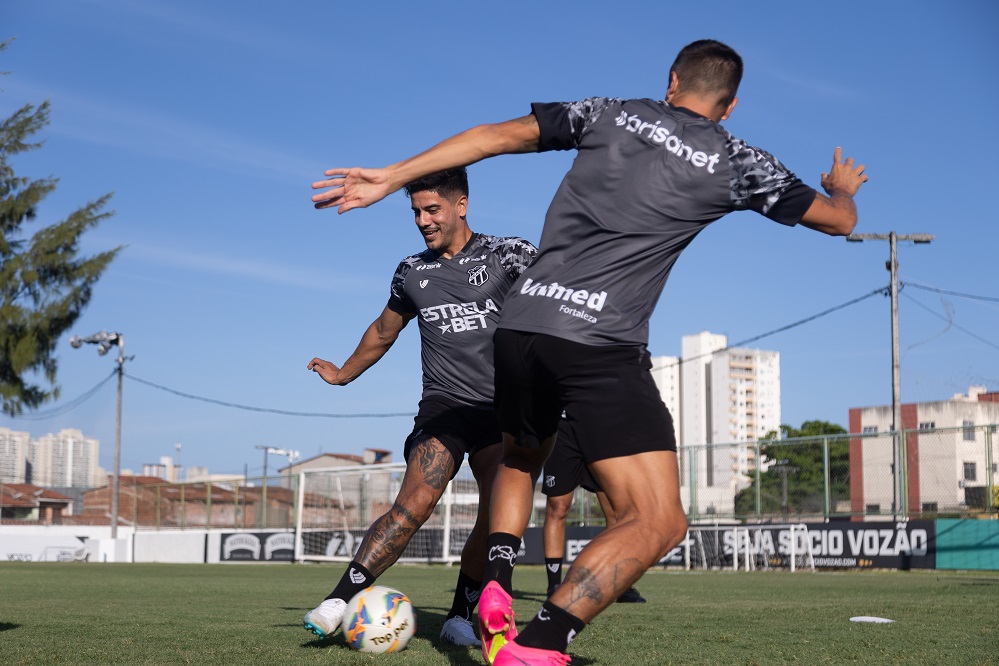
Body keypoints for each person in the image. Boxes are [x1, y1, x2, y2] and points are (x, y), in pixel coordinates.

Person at [311, 39, 867, 666]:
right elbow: (837, 221)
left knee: (520, 459)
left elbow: (494, 135)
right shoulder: (736, 158)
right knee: (657, 520)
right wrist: (840, 189)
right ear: (731, 105)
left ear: (672, 80)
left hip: (519, 334)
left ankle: (493, 584)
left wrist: (391, 176)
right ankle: (540, 642)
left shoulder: (609, 112)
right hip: (598, 343)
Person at [302, 167, 538, 649]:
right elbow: (384, 331)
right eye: (416, 212)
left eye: (432, 210)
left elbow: (557, 308)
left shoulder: (510, 255)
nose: (423, 221)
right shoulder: (412, 272)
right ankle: (339, 599)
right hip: (443, 407)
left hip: (503, 411)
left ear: (461, 205)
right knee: (414, 504)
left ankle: (459, 616)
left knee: (494, 517)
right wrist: (344, 372)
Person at [542, 413, 645, 603]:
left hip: (601, 427)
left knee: (616, 512)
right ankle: (554, 586)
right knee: (558, 507)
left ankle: (619, 584)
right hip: (562, 426)